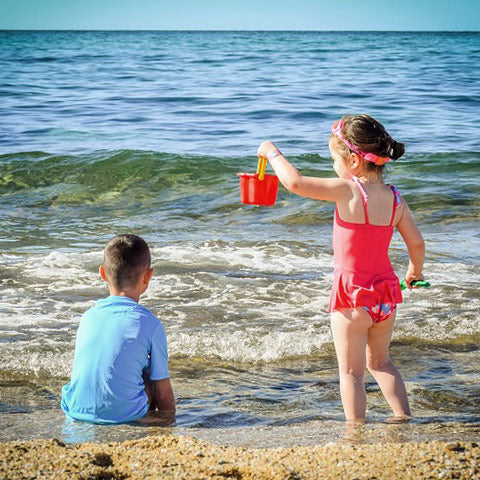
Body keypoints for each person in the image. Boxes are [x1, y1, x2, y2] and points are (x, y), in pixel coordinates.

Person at [257, 114, 425, 421]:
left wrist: (272, 152)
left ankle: (355, 431)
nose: (333, 165)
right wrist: (415, 272)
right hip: (386, 297)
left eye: (335, 158)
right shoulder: (396, 198)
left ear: (354, 162)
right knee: (382, 363)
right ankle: (403, 417)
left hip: (352, 297)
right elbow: (417, 244)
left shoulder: (347, 190)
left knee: (351, 372)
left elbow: (294, 182)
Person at [61, 234, 175, 424]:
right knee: (149, 372)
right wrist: (170, 422)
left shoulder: (88, 316)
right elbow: (163, 392)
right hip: (126, 417)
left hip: (75, 411)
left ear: (103, 273)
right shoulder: (151, 324)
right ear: (147, 276)